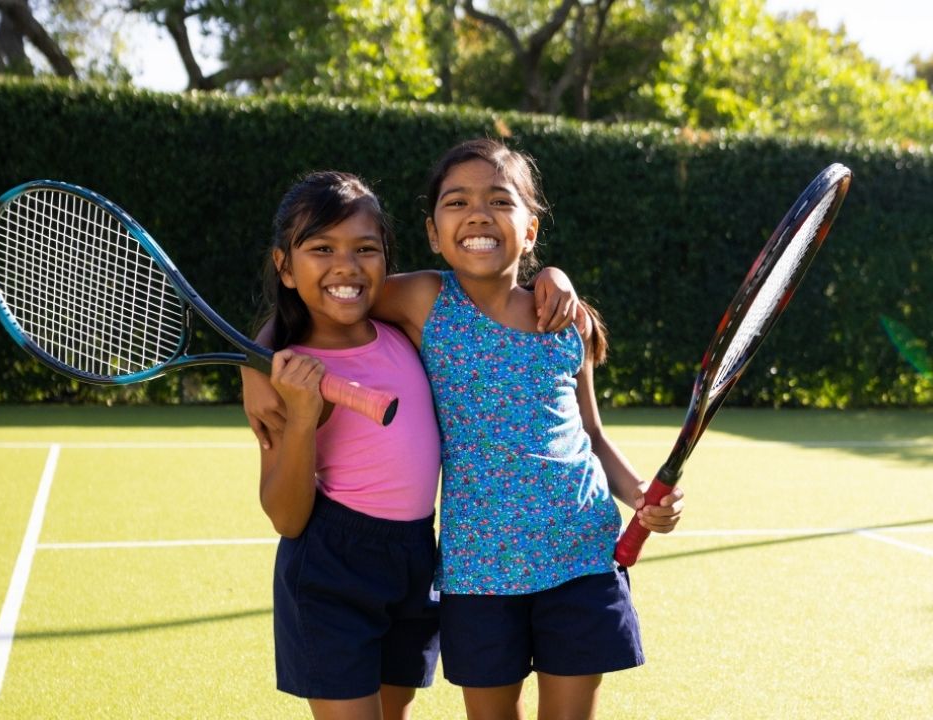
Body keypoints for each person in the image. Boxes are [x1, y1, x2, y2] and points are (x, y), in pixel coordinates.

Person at [245, 140, 684, 720]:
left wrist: (642, 497)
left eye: (500, 200)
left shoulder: (564, 322)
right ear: (432, 232)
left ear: (531, 229)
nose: (478, 214)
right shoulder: (425, 300)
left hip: (580, 554)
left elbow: (592, 438)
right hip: (480, 570)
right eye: (457, 201)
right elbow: (332, 290)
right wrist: (258, 357)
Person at [255, 170, 443, 720]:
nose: (346, 265)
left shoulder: (407, 325)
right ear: (284, 267)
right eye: (321, 248)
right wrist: (302, 419)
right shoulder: (282, 378)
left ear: (387, 259)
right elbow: (287, 518)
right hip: (332, 562)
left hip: (416, 553)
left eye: (366, 248)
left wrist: (553, 276)